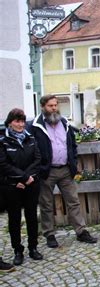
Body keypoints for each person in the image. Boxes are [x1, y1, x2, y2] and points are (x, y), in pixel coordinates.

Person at [29, 94, 97, 248]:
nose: (53, 108)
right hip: (47, 171)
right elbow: (33, 149)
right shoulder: (36, 126)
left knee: (73, 201)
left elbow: (72, 144)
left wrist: (73, 160)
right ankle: (49, 234)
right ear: (42, 107)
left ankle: (81, 231)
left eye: (55, 105)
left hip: (66, 169)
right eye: (50, 106)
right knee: (46, 204)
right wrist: (40, 167)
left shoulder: (64, 122)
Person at [0, 108, 43, 265]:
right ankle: (18, 249)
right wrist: (22, 177)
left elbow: (37, 159)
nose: (20, 124)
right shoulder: (3, 141)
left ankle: (33, 247)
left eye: (22, 121)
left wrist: (28, 177)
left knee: (31, 216)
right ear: (10, 122)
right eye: (17, 121)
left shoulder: (30, 138)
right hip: (13, 185)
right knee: (14, 219)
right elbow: (4, 164)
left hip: (31, 183)